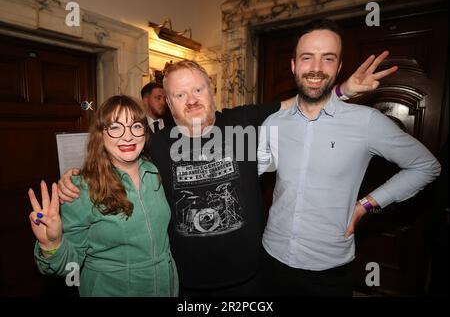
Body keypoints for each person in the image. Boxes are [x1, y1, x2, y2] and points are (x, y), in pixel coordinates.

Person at [58, 53, 396, 296]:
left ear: (211, 91)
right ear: (168, 104)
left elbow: (300, 105)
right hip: (184, 284)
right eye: (179, 95)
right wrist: (75, 178)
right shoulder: (154, 145)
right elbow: (116, 153)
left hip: (250, 278)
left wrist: (344, 90)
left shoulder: (242, 121)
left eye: (198, 90)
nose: (191, 100)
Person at [257, 18, 441, 297]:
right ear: (294, 65)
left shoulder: (367, 122)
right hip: (271, 258)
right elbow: (248, 172)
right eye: (307, 58)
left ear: (339, 66)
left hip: (328, 270)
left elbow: (425, 166)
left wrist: (365, 205)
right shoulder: (273, 122)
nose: (316, 68)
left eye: (327, 58)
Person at [29, 95, 178, 297]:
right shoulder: (82, 189)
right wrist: (51, 245)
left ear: (145, 132)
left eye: (136, 126)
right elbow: (69, 268)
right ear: (101, 134)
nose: (128, 136)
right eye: (115, 127)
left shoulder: (154, 173)